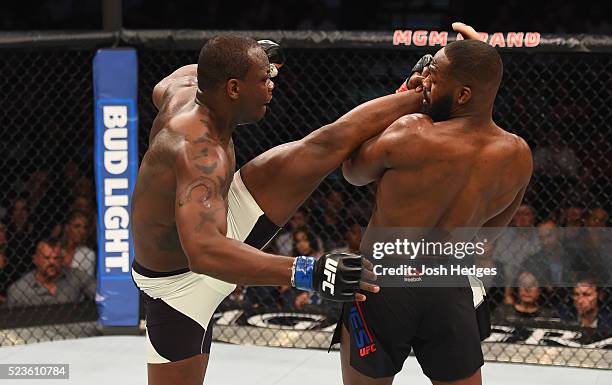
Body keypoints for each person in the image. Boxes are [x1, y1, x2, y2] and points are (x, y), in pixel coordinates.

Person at [131, 34, 430, 385]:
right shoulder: (198, 151)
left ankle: (413, 95)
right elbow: (204, 253)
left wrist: (255, 58)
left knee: (324, 144)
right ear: (232, 88)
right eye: (264, 79)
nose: (272, 85)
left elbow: (168, 82)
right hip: (181, 284)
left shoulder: (185, 90)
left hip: (217, 220)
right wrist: (310, 272)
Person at [334, 23, 533, 385]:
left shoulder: (411, 131)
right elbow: (491, 229)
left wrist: (402, 93)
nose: (425, 81)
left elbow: (352, 170)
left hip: (381, 282)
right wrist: (470, 60)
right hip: (449, 283)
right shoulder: (517, 154)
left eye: (434, 76)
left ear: (462, 95)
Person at [4, 237, 95, 308]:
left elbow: (103, 294)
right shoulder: (19, 289)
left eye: (56, 258)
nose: (52, 262)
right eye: (47, 258)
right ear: (35, 260)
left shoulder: (76, 277)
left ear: (61, 260)